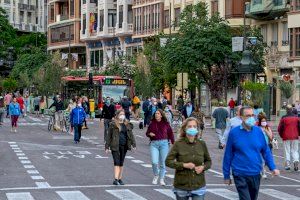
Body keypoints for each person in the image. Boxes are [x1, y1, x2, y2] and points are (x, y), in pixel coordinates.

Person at [223, 106, 280, 200]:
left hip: (255, 173)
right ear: (241, 117)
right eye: (247, 116)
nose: (251, 118)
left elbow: (266, 151)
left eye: (252, 115)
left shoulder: (258, 131)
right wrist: (226, 175)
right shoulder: (234, 133)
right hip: (239, 173)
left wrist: (272, 167)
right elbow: (228, 155)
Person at [166, 117, 212, 200]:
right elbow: (168, 161)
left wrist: (203, 167)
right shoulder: (178, 144)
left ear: (197, 129)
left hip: (198, 185)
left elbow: (208, 161)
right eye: (189, 126)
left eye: (194, 126)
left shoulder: (202, 144)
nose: (192, 128)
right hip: (182, 185)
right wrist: (184, 165)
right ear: (184, 128)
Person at [105, 110, 136, 185]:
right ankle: (115, 179)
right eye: (121, 114)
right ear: (117, 115)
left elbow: (131, 135)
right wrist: (107, 147)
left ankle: (119, 179)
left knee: (121, 162)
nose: (122, 116)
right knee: (116, 162)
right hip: (115, 145)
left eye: (123, 114)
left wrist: (133, 144)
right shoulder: (113, 124)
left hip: (124, 145)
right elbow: (109, 136)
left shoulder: (127, 124)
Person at [146, 109, 175, 186]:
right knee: (154, 162)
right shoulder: (152, 123)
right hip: (154, 144)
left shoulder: (166, 124)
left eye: (158, 113)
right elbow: (147, 133)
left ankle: (161, 179)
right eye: (156, 113)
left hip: (164, 144)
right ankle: (156, 175)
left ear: (161, 115)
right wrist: (150, 134)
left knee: (163, 163)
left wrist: (173, 142)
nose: (156, 115)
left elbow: (171, 133)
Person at [278, 105, 299, 171]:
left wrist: (281, 135)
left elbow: (280, 128)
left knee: (287, 150)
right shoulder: (297, 117)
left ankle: (288, 164)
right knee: (295, 150)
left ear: (286, 110)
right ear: (292, 109)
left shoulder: (283, 118)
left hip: (286, 136)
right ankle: (296, 160)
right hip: (295, 135)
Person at [257, 113, 273, 179]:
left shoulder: (268, 128)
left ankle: (262, 170)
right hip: (260, 146)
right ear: (260, 122)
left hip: (267, 145)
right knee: (262, 160)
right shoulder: (257, 128)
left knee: (266, 160)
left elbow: (271, 137)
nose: (264, 122)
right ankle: (263, 172)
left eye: (265, 121)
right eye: (263, 121)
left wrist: (266, 131)